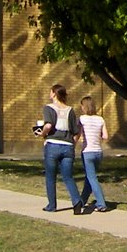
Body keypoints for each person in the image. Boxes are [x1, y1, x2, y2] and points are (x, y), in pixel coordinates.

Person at [40, 83, 84, 214]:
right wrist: (73, 145)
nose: (49, 94)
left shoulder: (48, 108)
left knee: (50, 176)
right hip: (68, 146)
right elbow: (76, 132)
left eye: (50, 92)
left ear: (54, 93)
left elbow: (48, 126)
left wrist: (42, 134)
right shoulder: (70, 110)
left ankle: (52, 205)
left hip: (53, 144)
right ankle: (77, 202)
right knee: (68, 176)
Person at [76, 95, 111, 212]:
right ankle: (82, 201)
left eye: (81, 105)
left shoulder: (82, 119)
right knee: (89, 178)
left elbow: (78, 134)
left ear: (84, 106)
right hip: (98, 152)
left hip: (87, 151)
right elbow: (105, 136)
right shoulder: (100, 119)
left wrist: (72, 144)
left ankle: (101, 203)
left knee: (92, 178)